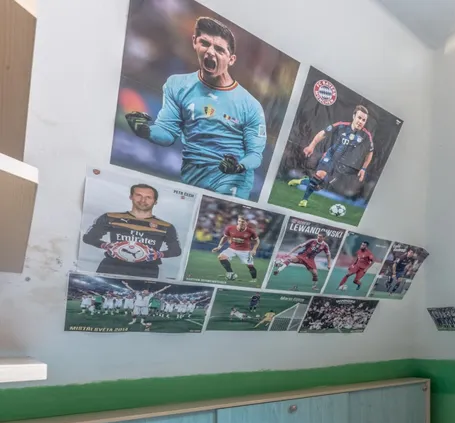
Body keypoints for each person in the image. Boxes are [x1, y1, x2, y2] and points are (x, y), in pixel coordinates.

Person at [124, 17, 267, 199]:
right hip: (192, 176)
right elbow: (167, 133)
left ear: (231, 59)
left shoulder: (250, 104)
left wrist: (238, 166)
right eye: (205, 43)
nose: (210, 52)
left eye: (219, 49)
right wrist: (146, 131)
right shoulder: (177, 84)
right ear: (194, 43)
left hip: (231, 181)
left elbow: (255, 155)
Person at [82, 184, 182, 278]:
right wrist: (106, 245)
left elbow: (176, 250)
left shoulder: (165, 226)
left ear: (155, 201)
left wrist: (158, 254)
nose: (143, 200)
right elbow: (88, 238)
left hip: (146, 270)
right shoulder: (111, 217)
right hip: (112, 266)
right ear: (131, 197)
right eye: (138, 195)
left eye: (148, 197)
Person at [288, 105, 375, 208]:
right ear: (354, 116)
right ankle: (304, 200)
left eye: (364, 120)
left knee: (319, 186)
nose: (361, 121)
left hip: (341, 164)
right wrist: (311, 146)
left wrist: (364, 168)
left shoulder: (366, 135)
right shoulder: (341, 126)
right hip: (330, 156)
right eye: (359, 118)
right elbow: (323, 133)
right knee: (319, 176)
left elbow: (370, 152)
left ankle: (302, 181)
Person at [211, 216, 261, 282]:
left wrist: (254, 249)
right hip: (232, 248)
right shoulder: (230, 228)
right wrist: (219, 247)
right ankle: (231, 273)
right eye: (239, 221)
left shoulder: (251, 231)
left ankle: (254, 279)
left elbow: (257, 241)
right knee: (221, 257)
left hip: (245, 251)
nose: (241, 223)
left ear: (246, 223)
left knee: (250, 266)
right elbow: (225, 237)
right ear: (237, 221)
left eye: (243, 222)